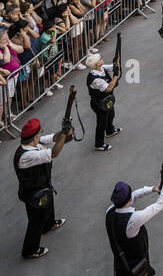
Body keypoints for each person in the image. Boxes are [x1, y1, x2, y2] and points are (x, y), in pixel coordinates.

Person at [13, 117, 72, 260]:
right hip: (33, 192)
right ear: (34, 137)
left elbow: (54, 137)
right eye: (40, 133)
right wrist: (64, 135)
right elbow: (53, 153)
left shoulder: (34, 142)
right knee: (35, 220)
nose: (41, 134)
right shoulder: (27, 155)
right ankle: (30, 250)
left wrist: (64, 131)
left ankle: (49, 224)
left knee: (48, 203)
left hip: (42, 185)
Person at [86, 50, 122, 151]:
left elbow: (112, 67)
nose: (102, 58)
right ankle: (99, 144)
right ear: (96, 63)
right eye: (100, 58)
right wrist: (115, 76)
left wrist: (117, 62)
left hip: (106, 100)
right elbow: (109, 88)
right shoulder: (94, 79)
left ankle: (110, 131)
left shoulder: (100, 68)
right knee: (102, 122)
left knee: (111, 114)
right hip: (99, 103)